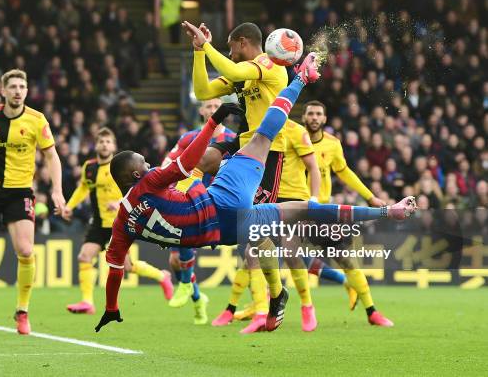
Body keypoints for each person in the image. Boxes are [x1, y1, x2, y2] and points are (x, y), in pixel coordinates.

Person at [94, 53, 416, 332]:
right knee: (265, 139)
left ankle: (276, 297)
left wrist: (111, 307)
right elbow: (187, 162)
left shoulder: (123, 223)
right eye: (145, 163)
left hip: (223, 232)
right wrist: (214, 122)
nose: (150, 164)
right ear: (136, 174)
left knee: (280, 228)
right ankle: (301, 78)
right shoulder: (148, 182)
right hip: (223, 200)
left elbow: (115, 270)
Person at [187, 20, 320, 332]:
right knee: (202, 159)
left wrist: (207, 46)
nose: (230, 53)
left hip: (266, 152)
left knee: (254, 235)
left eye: (231, 47)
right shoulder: (244, 76)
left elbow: (234, 72)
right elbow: (202, 90)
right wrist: (197, 53)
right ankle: (269, 300)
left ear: (243, 42)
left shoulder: (268, 63)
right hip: (242, 144)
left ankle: (276, 298)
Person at [0, 69, 66, 336]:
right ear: (3, 90)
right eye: (13, 86)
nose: (18, 90)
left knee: (25, 250)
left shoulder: (37, 119)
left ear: (27, 90)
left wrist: (57, 190)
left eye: (22, 86)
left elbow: (52, 157)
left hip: (20, 192)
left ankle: (22, 311)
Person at [62, 127, 173, 315]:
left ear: (114, 145)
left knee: (128, 267)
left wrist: (120, 201)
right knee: (84, 257)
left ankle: (162, 276)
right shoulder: (89, 167)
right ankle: (87, 302)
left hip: (119, 224)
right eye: (101, 141)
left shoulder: (121, 168)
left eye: (108, 141)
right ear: (95, 145)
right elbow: (83, 188)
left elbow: (139, 189)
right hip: (98, 223)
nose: (104, 145)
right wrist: (69, 206)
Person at [301, 100, 394, 326]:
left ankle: (372, 311)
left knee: (346, 260)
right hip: (295, 210)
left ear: (324, 119)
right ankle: (258, 309)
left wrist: (370, 197)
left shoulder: (332, 144)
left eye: (318, 114)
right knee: (284, 257)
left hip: (323, 212)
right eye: (310, 114)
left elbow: (345, 173)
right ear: (304, 117)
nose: (314, 117)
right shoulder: (292, 138)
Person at [163, 97, 236, 325]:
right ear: (202, 110)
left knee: (183, 244)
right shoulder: (189, 138)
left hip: (217, 201)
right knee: (175, 261)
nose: (214, 109)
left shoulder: (233, 140)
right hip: (188, 197)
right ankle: (196, 298)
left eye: (217, 106)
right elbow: (168, 164)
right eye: (209, 106)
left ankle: (188, 286)